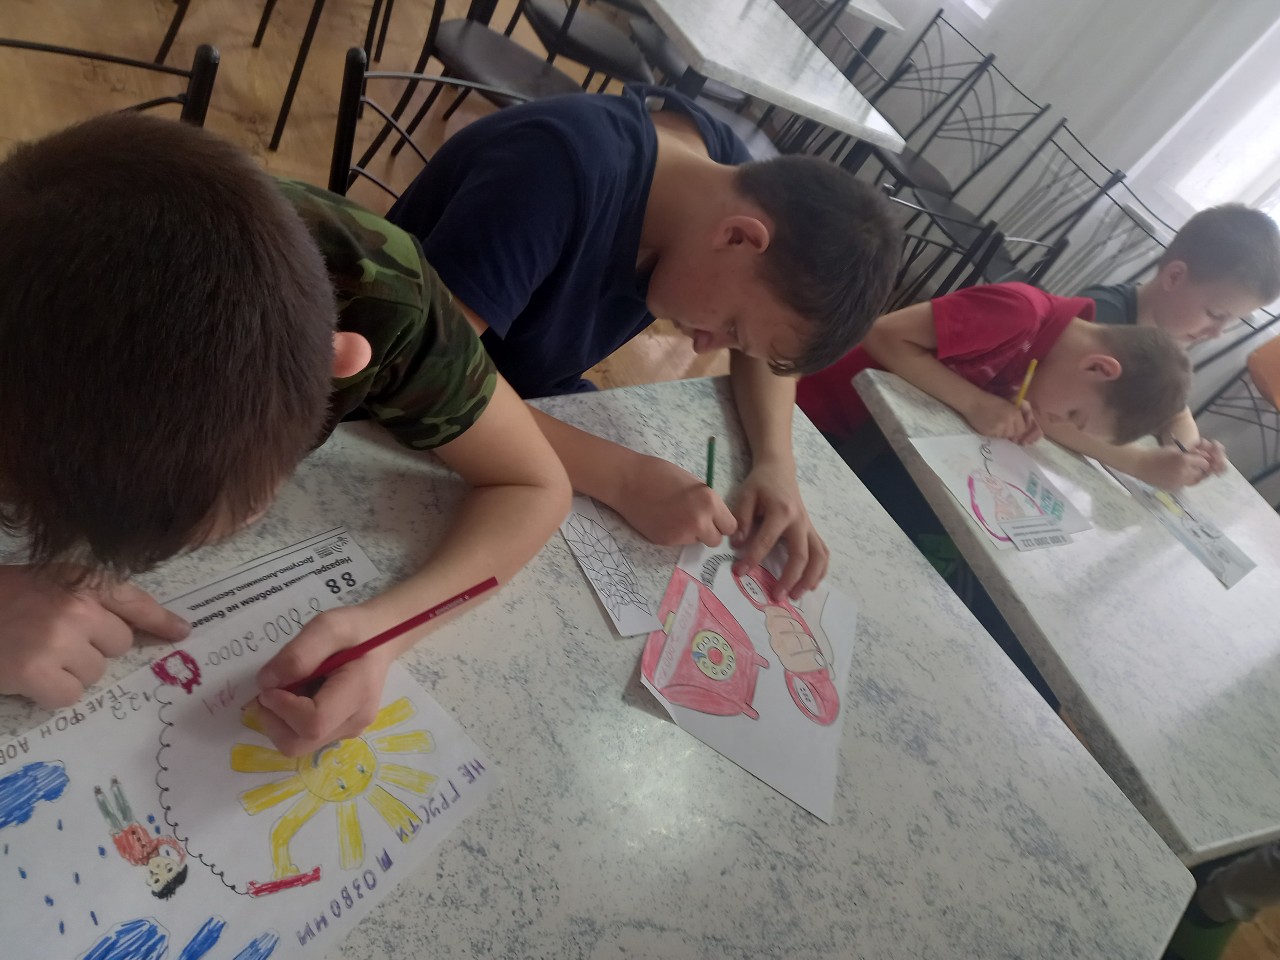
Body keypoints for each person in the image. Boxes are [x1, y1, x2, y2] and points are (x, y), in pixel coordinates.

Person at [0, 113, 571, 757]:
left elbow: (533, 484)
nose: (250, 516)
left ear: (342, 359)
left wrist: (383, 630)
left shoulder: (380, 291)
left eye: (255, 493)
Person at [385, 84, 901, 600]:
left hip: (520, 395)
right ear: (738, 237)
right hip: (386, 398)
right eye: (731, 328)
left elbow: (765, 343)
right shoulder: (554, 172)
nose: (706, 346)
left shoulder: (727, 182)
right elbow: (424, 374)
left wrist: (775, 464)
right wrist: (624, 478)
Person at [796, 282, 1192, 451]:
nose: (1057, 420)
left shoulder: (1050, 357)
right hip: (811, 414)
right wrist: (976, 403)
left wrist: (1014, 408)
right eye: (1073, 415)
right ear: (1098, 369)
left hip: (874, 434)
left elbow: (979, 374)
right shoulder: (1020, 313)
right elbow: (883, 334)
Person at [1077, 203, 1280, 489]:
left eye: (1230, 321)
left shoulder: (1164, 346)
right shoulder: (1099, 316)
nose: (1217, 333)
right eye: (1215, 314)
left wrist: (1189, 453)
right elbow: (1046, 410)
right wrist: (1139, 463)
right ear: (1174, 277)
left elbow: (1176, 414)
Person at [94, 777, 189, 900]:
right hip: (132, 824)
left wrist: (116, 838)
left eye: (156, 879)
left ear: (149, 881)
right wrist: (179, 851)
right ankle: (116, 787)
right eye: (169, 868)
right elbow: (165, 839)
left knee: (110, 817)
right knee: (124, 807)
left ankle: (100, 797)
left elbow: (123, 852)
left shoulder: (136, 861)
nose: (158, 869)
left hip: (120, 835)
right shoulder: (154, 847)